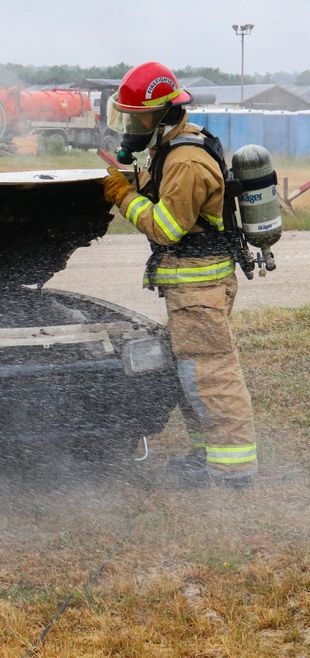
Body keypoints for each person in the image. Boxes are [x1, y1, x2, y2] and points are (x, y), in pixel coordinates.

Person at [102, 61, 257, 489]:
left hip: (199, 287)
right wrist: (129, 180)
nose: (132, 126)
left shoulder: (186, 159)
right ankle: (206, 457)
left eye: (139, 117)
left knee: (211, 376)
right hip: (191, 288)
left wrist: (124, 198)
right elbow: (162, 190)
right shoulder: (172, 148)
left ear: (166, 113)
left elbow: (167, 226)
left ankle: (232, 472)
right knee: (192, 375)